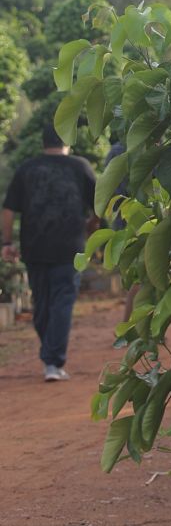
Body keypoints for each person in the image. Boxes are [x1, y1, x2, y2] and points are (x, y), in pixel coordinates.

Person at [1, 123, 98, 381]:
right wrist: (94, 226)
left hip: (35, 248)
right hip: (71, 248)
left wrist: (6, 243)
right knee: (61, 302)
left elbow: (8, 209)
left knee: (42, 305)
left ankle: (51, 358)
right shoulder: (80, 167)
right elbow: (100, 203)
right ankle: (52, 361)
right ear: (67, 141)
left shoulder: (27, 169)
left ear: (43, 143)